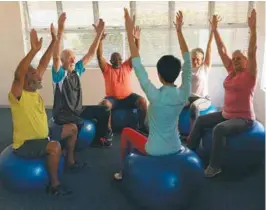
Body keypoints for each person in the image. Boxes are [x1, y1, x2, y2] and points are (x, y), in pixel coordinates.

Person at [113, 9, 192, 180]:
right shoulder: (184, 94)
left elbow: (137, 63)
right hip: (176, 146)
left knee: (126, 132)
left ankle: (122, 172)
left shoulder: (154, 95)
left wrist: (128, 31)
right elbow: (188, 61)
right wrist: (179, 31)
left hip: (154, 149)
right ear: (178, 73)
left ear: (159, 75)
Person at [187, 10, 258, 178]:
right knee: (201, 120)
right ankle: (189, 150)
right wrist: (215, 30)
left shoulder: (249, 74)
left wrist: (253, 29)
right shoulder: (232, 71)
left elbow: (252, 50)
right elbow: (222, 49)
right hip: (227, 114)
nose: (235, 60)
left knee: (219, 129)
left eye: (239, 58)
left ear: (246, 61)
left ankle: (214, 166)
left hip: (243, 119)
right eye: (234, 59)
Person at [9, 25, 72, 195]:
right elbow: (18, 74)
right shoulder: (18, 95)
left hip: (43, 134)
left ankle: (71, 161)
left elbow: (44, 62)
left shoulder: (33, 88)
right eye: (35, 74)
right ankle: (55, 186)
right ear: (26, 80)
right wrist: (32, 51)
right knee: (55, 146)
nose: (39, 75)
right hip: (26, 144)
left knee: (72, 128)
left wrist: (53, 40)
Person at [50, 13, 111, 149]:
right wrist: (60, 30)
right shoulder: (59, 75)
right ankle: (68, 149)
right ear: (63, 60)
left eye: (73, 57)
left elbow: (90, 53)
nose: (73, 60)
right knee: (78, 126)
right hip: (64, 114)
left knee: (105, 110)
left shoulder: (76, 70)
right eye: (69, 58)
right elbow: (55, 58)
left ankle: (98, 138)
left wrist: (99, 35)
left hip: (77, 110)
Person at [96, 20, 148, 138]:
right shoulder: (107, 69)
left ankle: (141, 126)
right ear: (111, 61)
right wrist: (99, 40)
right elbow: (99, 56)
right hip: (112, 98)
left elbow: (135, 53)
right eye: (115, 59)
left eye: (119, 59)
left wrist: (137, 39)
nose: (118, 61)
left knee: (143, 102)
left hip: (128, 97)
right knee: (105, 104)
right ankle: (108, 130)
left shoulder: (126, 66)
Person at [187, 25, 214, 130]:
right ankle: (175, 133)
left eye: (197, 59)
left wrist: (212, 32)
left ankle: (193, 134)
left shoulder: (204, 68)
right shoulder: (188, 69)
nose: (195, 61)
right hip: (189, 98)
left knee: (194, 107)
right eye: (193, 59)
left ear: (202, 60)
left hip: (203, 99)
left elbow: (209, 49)